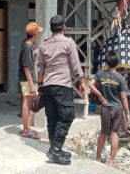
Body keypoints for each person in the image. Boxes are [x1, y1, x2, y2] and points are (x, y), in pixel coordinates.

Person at [37, 15, 85, 165]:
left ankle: (54, 148)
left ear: (51, 28)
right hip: (62, 85)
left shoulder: (44, 45)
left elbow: (40, 67)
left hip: (48, 85)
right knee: (67, 116)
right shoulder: (68, 43)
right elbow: (76, 64)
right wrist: (81, 81)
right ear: (64, 27)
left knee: (52, 118)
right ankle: (56, 149)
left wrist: (40, 85)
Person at [89, 51, 130, 167]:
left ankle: (98, 158)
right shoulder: (120, 78)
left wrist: (100, 97)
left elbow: (90, 84)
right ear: (117, 63)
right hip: (117, 109)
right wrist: (127, 113)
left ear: (106, 62)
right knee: (115, 134)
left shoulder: (101, 74)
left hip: (105, 108)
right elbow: (123, 97)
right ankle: (111, 162)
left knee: (103, 133)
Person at [18, 22, 43, 139]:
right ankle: (26, 130)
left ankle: (26, 128)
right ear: (35, 34)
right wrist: (32, 84)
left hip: (28, 79)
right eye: (38, 32)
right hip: (27, 79)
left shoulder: (28, 46)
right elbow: (26, 68)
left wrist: (35, 52)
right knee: (27, 103)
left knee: (28, 102)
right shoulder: (27, 47)